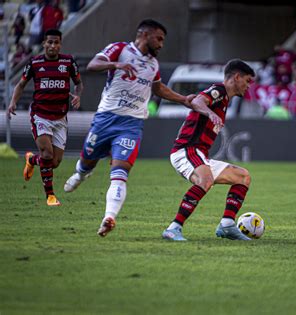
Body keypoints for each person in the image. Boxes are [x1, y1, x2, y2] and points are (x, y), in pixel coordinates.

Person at [63, 19, 195, 237]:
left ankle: (109, 217)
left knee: (120, 171)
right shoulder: (120, 49)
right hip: (105, 119)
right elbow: (92, 65)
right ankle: (80, 173)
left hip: (131, 124)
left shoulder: (153, 64)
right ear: (144, 34)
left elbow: (158, 88)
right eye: (159, 39)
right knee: (87, 160)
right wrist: (116, 65)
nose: (161, 44)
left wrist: (184, 100)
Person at [162, 59, 255, 241]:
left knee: (243, 177)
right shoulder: (219, 91)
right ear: (236, 77)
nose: (248, 86)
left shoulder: (225, 100)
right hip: (186, 150)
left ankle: (227, 225)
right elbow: (197, 100)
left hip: (200, 154)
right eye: (248, 80)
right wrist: (210, 113)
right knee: (206, 180)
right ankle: (173, 228)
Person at [7, 29, 83, 206]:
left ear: (60, 44)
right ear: (43, 44)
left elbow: (79, 83)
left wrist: (78, 95)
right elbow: (21, 84)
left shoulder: (68, 62)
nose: (53, 46)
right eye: (49, 42)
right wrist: (13, 103)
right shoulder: (34, 63)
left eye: (56, 42)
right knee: (47, 154)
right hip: (40, 115)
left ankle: (31, 160)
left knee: (54, 162)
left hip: (60, 118)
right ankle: (50, 196)